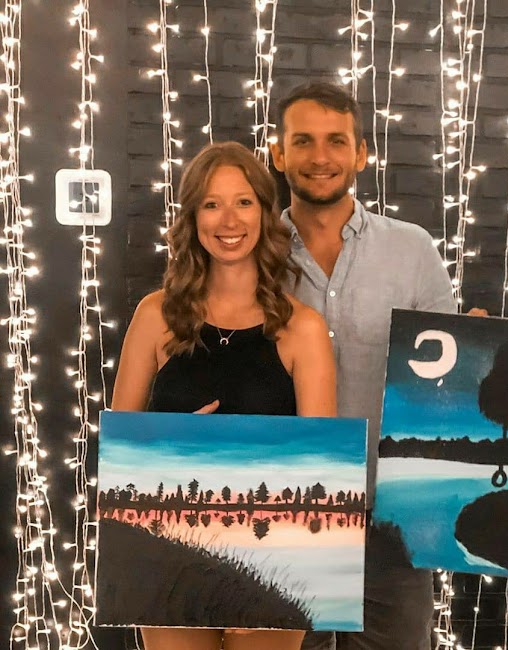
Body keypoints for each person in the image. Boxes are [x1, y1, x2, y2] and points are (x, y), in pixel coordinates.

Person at [111, 141, 336, 650]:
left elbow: (320, 473)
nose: (228, 220)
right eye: (211, 204)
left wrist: (265, 580)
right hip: (170, 551)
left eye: (243, 202)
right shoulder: (155, 316)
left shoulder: (303, 329)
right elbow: (121, 448)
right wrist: (178, 443)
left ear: (264, 212)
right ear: (193, 217)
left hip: (272, 561)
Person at [270, 82, 459, 650]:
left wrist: (475, 350)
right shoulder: (250, 251)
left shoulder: (412, 249)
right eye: (303, 141)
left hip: (393, 516)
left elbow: (445, 382)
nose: (319, 156)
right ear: (278, 154)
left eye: (336, 141)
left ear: (361, 154)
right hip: (280, 509)